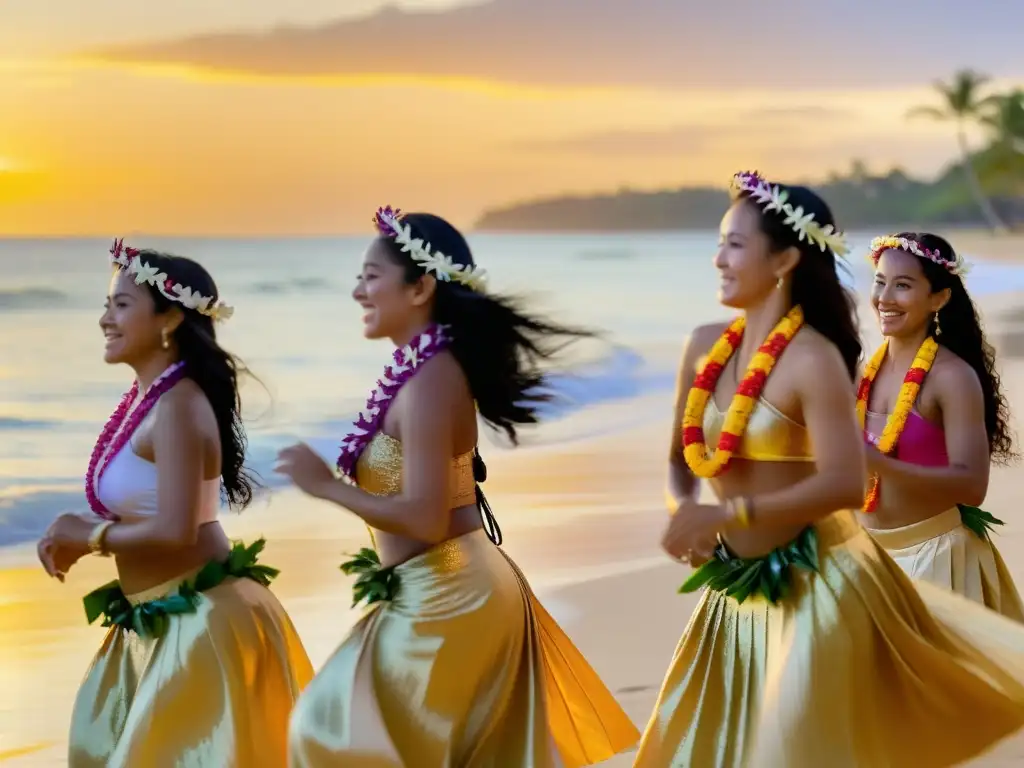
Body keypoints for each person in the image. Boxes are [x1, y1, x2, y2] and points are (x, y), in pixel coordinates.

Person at [635, 172, 1024, 768]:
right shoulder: (726, 349)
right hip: (749, 584)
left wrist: (871, 465)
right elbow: (680, 458)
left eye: (735, 244)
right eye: (880, 284)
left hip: (887, 561)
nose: (718, 258)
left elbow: (872, 480)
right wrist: (686, 514)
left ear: (786, 258)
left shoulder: (853, 364)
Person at [274, 207, 639, 767]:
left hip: (451, 590)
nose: (357, 291)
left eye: (371, 276)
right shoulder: (422, 371)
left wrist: (325, 486)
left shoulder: (430, 379)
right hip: (436, 587)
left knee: (331, 729)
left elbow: (423, 518)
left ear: (419, 286)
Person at [38, 240, 313, 767]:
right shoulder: (150, 401)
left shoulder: (179, 407)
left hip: (203, 626)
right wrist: (75, 532)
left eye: (120, 305)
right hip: (156, 618)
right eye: (106, 304)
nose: (104, 319)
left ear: (168, 320)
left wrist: (88, 537)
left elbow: (177, 530)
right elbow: (148, 509)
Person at [857, 232, 1023, 619]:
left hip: (934, 561)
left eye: (903, 285)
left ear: (939, 298)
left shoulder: (951, 377)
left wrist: (880, 464)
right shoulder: (865, 373)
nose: (884, 297)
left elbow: (972, 486)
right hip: (867, 559)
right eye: (880, 282)